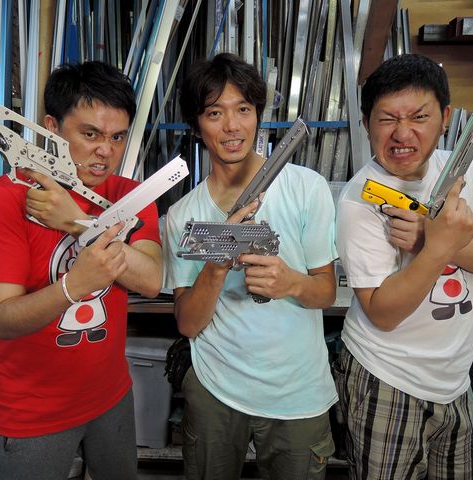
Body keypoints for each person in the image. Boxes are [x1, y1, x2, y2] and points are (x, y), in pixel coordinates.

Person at [0, 61, 163, 479]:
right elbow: (4, 320)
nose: (105, 151)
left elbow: (150, 280)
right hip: (31, 413)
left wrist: (79, 224)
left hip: (110, 397)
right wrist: (73, 287)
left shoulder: (130, 196)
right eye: (90, 134)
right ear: (51, 128)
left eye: (117, 137)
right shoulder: (5, 199)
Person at [334, 53, 473, 479]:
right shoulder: (360, 199)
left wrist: (432, 240)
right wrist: (437, 247)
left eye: (419, 117)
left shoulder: (461, 173)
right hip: (386, 378)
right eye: (387, 119)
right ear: (366, 124)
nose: (403, 134)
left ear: (445, 117)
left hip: (454, 380)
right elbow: (383, 312)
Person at [163, 52, 338, 479]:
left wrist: (291, 282)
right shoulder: (182, 216)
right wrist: (216, 267)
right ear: (197, 125)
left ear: (257, 115)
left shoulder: (306, 187)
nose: (232, 126)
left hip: (297, 393)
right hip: (215, 389)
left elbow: (326, 291)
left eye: (243, 109)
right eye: (214, 113)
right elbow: (188, 323)